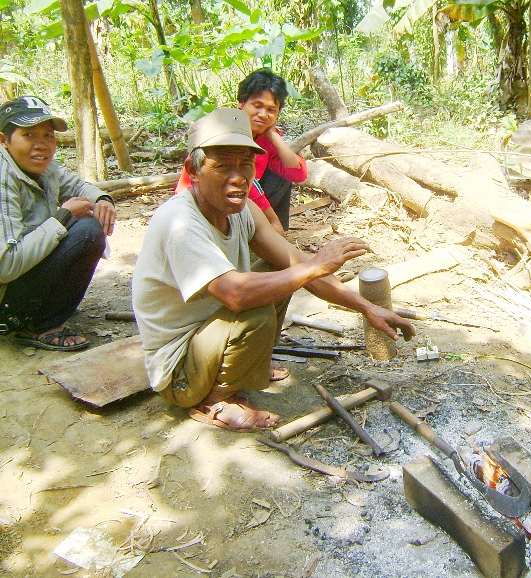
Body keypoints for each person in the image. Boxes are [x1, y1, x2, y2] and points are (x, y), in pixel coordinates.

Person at [132, 108, 414, 432]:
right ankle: (213, 399)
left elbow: (295, 262)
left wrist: (367, 308)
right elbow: (236, 295)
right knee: (257, 307)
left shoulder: (242, 208)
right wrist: (315, 267)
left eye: (246, 164)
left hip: (207, 336)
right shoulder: (180, 223)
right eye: (222, 166)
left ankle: (246, 366)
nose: (238, 177)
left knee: (278, 271)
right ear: (192, 171)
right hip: (178, 371)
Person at [0, 96, 116, 351]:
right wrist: (63, 217)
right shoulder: (2, 177)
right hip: (3, 298)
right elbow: (6, 266)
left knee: (87, 227)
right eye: (29, 135)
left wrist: (103, 198)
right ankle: (40, 325)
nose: (41, 145)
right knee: (86, 232)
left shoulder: (46, 167)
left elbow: (78, 185)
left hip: (18, 281)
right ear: (4, 141)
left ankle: (44, 312)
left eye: (48, 136)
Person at [176, 68, 308, 235]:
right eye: (257, 106)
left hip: (240, 193)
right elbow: (243, 181)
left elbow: (298, 175)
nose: (263, 114)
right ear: (241, 104)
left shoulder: (266, 139)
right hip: (205, 200)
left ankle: (269, 233)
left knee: (283, 172)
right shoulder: (224, 133)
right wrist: (272, 223)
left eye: (271, 110)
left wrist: (274, 136)